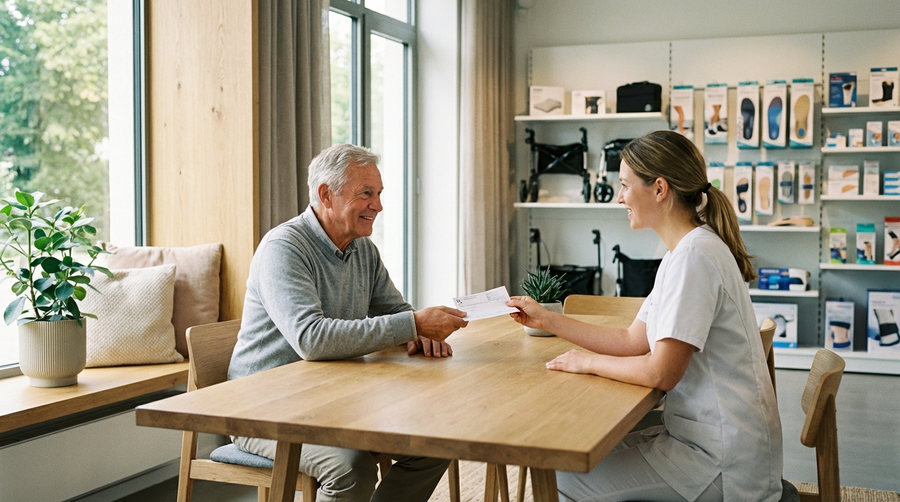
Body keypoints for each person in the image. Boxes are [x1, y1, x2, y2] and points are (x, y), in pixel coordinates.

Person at [507, 130, 783, 502]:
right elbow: (632, 339)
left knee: (558, 479)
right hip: (708, 441)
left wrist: (586, 362)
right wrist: (547, 319)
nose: (619, 197)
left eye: (624, 185)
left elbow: (661, 373)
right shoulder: (682, 251)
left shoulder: (693, 258)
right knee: (576, 457)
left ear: (659, 189)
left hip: (722, 462)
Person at [227, 143, 469, 502]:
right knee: (350, 468)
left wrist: (420, 332)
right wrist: (413, 325)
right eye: (366, 193)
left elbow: (395, 311)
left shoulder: (362, 249)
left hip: (330, 397)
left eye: (379, 194)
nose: (378, 205)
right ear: (327, 194)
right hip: (263, 409)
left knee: (436, 442)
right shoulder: (284, 247)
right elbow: (311, 339)